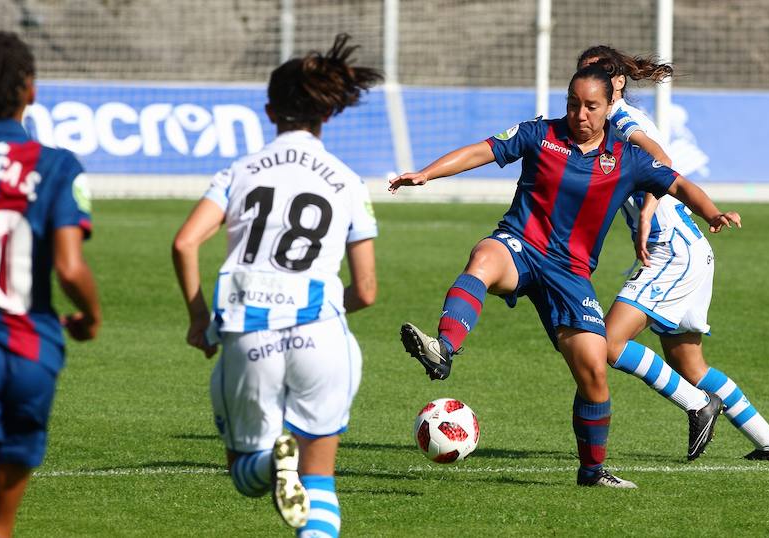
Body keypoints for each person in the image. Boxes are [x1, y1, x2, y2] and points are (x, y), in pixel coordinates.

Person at [390, 64, 740, 489]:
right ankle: (443, 348)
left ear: (611, 105)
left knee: (594, 370)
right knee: (483, 257)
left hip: (571, 274)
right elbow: (482, 150)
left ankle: (592, 474)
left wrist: (713, 212)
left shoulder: (627, 158)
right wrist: (428, 172)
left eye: (591, 106)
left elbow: (679, 184)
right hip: (520, 244)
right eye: (573, 104)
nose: (580, 114)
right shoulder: (540, 134)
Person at [172, 34, 380, 536]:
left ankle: (270, 464)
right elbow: (368, 290)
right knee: (321, 483)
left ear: (269, 110)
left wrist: (200, 317)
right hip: (322, 334)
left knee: (247, 478)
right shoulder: (348, 181)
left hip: (249, 333)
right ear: (326, 114)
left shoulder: (239, 173)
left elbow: (184, 244)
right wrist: (324, 308)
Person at [578, 45, 769, 460]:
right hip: (688, 249)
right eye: (583, 74)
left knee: (605, 342)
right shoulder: (609, 122)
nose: (590, 84)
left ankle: (698, 405)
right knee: (689, 364)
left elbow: (662, 161)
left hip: (671, 250)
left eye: (600, 75)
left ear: (617, 82)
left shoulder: (622, 119)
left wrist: (646, 211)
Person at [0, 32, 101, 538]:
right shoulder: (57, 165)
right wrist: (91, 317)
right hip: (32, 353)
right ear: (31, 92)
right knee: (1, 527)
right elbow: (69, 268)